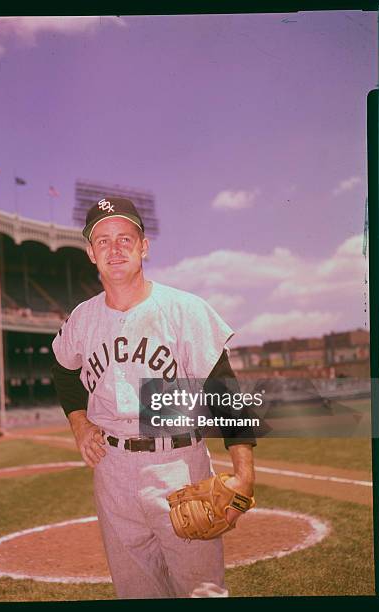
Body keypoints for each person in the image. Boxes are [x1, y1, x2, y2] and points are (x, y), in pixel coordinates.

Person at [51, 197, 256, 599]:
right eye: (104, 241)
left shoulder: (184, 309)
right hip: (112, 470)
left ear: (144, 246)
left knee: (202, 592)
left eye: (125, 238)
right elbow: (62, 368)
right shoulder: (81, 318)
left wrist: (244, 471)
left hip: (177, 465)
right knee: (135, 594)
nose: (115, 249)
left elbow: (226, 391)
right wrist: (79, 422)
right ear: (91, 253)